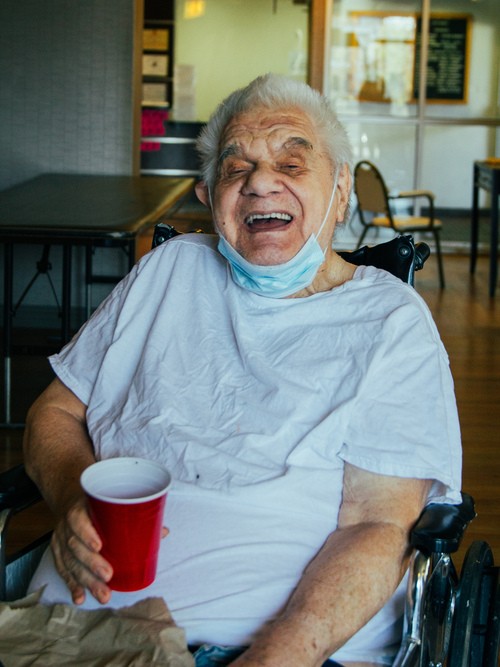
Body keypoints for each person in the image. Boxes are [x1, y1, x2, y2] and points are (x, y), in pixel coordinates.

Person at [23, 73, 462, 667]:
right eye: (236, 169)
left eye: (291, 163)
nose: (259, 182)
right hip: (62, 634)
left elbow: (378, 525)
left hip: (259, 651)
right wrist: (73, 491)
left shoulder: (390, 322)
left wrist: (272, 659)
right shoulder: (167, 272)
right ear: (209, 196)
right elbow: (54, 411)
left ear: (340, 191)